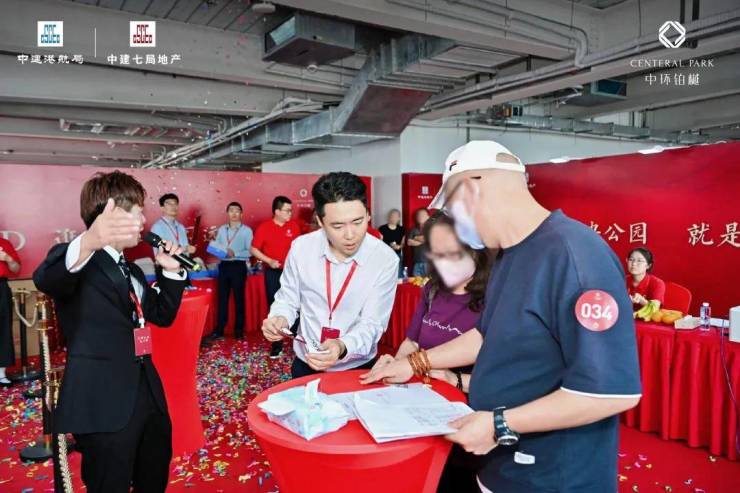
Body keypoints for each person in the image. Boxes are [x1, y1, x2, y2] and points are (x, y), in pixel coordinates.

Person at [361, 140, 641, 493]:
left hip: (555, 477)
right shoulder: (509, 255)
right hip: (502, 466)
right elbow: (486, 335)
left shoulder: (574, 255)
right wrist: (415, 363)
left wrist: (500, 424)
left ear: (475, 186)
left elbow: (612, 394)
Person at [33, 171, 187, 493]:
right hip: (103, 404)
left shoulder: (132, 270)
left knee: (153, 476)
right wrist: (90, 240)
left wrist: (172, 272)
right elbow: (46, 277)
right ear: (111, 212)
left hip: (148, 395)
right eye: (138, 212)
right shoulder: (76, 260)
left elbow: (161, 315)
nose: (144, 221)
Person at [373, 212, 491, 493]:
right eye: (437, 254)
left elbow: (508, 377)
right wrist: (395, 363)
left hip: (472, 420)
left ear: (476, 251)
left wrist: (456, 380)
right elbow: (412, 342)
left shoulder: (494, 297)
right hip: (425, 407)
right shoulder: (432, 289)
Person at [261, 172, 399, 379]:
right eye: (337, 226)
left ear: (368, 215)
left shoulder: (384, 259)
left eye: (358, 221)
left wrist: (342, 346)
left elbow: (373, 322)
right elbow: (287, 299)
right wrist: (279, 318)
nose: (350, 235)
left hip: (357, 367)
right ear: (320, 221)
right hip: (306, 363)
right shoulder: (301, 248)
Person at [251, 196, 301, 359]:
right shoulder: (264, 227)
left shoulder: (293, 226)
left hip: (293, 273)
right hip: (273, 272)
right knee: (275, 306)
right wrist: (269, 261)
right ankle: (276, 345)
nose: (290, 213)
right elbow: (254, 249)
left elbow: (299, 248)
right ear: (277, 211)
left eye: (291, 210)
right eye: (287, 210)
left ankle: (297, 343)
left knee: (297, 305)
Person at [205, 202, 253, 341]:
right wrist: (216, 248)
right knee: (222, 299)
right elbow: (218, 248)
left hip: (238, 266)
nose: (234, 213)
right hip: (224, 266)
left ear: (241, 214)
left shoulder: (246, 231)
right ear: (227, 213)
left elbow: (250, 251)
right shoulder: (222, 229)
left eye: (237, 211)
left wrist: (235, 253)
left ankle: (239, 330)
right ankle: (219, 330)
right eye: (231, 210)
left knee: (239, 299)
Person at [0, 236, 21, 387]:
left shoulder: (4, 243)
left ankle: (1, 373)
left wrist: (7, 258)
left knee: (3, 328)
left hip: (0, 287)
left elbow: (16, 269)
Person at [150, 193, 197, 257]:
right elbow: (164, 251)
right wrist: (185, 248)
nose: (173, 206)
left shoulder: (181, 227)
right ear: (162, 208)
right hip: (167, 263)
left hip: (184, 262)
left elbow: (186, 247)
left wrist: (190, 249)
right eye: (169, 204)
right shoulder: (157, 227)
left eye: (175, 203)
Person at [378, 209, 406, 277]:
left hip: (397, 255)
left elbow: (403, 243)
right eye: (392, 216)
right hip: (385, 255)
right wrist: (389, 246)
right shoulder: (382, 228)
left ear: (399, 218)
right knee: (386, 274)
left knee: (399, 274)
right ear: (389, 217)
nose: (394, 218)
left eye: (396, 216)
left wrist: (399, 247)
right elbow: (378, 242)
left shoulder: (401, 229)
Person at [407, 208, 430, 276]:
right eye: (419, 215)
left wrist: (415, 238)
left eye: (422, 215)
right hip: (417, 262)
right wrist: (425, 240)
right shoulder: (413, 230)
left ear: (428, 217)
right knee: (416, 282)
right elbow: (409, 242)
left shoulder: (432, 228)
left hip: (429, 262)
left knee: (429, 282)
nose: (420, 216)